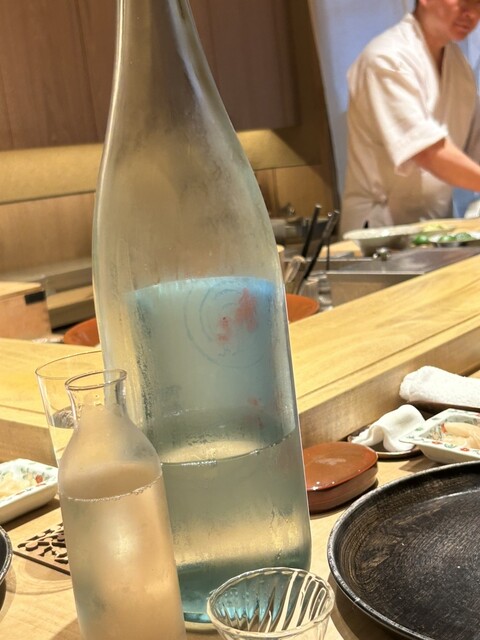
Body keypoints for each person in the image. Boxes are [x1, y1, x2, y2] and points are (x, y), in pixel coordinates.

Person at [340, 0, 480, 235]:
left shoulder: (459, 65)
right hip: (378, 230)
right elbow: (426, 151)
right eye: (463, 2)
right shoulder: (386, 57)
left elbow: (474, 144)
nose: (471, 14)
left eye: (478, 5)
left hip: (437, 225)